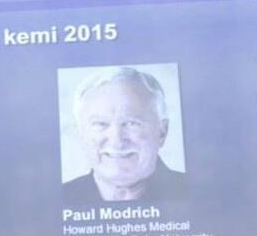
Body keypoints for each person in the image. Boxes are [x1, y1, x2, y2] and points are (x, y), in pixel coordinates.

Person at [63, 66, 184, 204]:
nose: (117, 141)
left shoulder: (194, 193)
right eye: (101, 124)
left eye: (131, 123)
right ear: (81, 134)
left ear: (162, 132)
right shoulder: (58, 199)